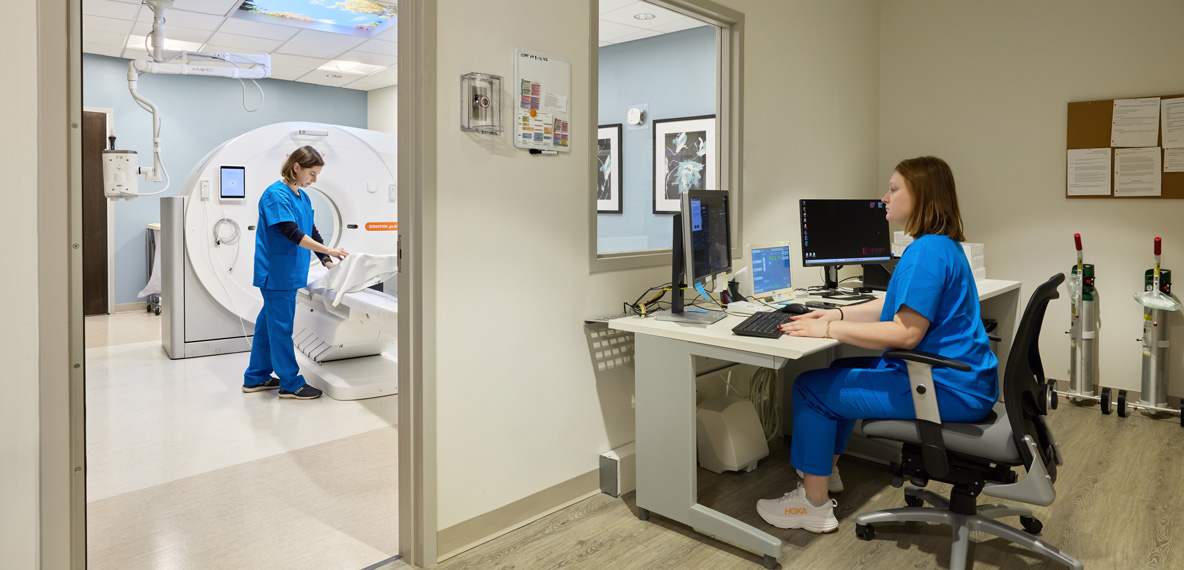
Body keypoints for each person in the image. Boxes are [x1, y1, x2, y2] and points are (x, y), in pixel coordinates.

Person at [756, 156, 998, 533]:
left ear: (921, 196)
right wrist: (835, 317)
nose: (884, 197)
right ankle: (827, 472)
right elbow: (892, 303)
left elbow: (905, 333)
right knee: (837, 370)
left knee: (809, 389)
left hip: (944, 389)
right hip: (959, 379)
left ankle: (813, 504)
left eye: (894, 188)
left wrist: (828, 333)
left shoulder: (926, 253)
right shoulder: (939, 246)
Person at [241, 145, 348, 400]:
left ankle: (255, 377)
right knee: (281, 329)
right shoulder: (275, 195)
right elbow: (292, 232)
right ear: (296, 167)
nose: (314, 179)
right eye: (312, 173)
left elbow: (310, 229)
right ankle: (291, 383)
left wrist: (326, 260)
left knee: (268, 327)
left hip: (289, 272)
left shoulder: (302, 195)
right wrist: (330, 249)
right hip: (277, 273)